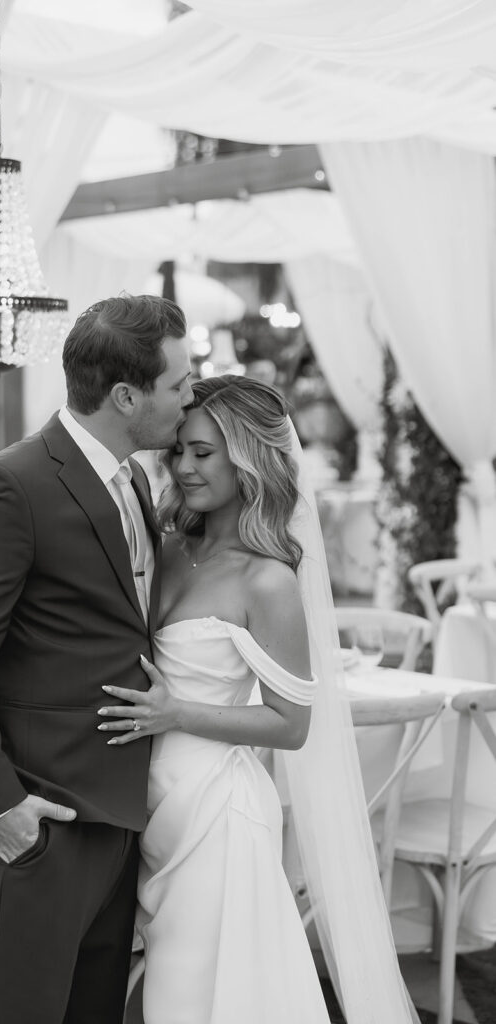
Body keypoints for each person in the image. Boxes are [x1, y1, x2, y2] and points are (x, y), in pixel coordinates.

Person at [98, 375, 419, 1024]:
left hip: (217, 816)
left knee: (199, 1000)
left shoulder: (266, 577)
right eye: (178, 451)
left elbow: (291, 723)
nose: (184, 467)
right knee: (172, 992)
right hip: (151, 806)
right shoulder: (166, 545)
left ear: (248, 459)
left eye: (204, 453)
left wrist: (175, 713)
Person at [0, 293, 193, 1024]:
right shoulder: (11, 484)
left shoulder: (135, 478)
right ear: (127, 395)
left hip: (120, 810)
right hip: (38, 817)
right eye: (180, 384)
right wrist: (0, 808)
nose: (191, 398)